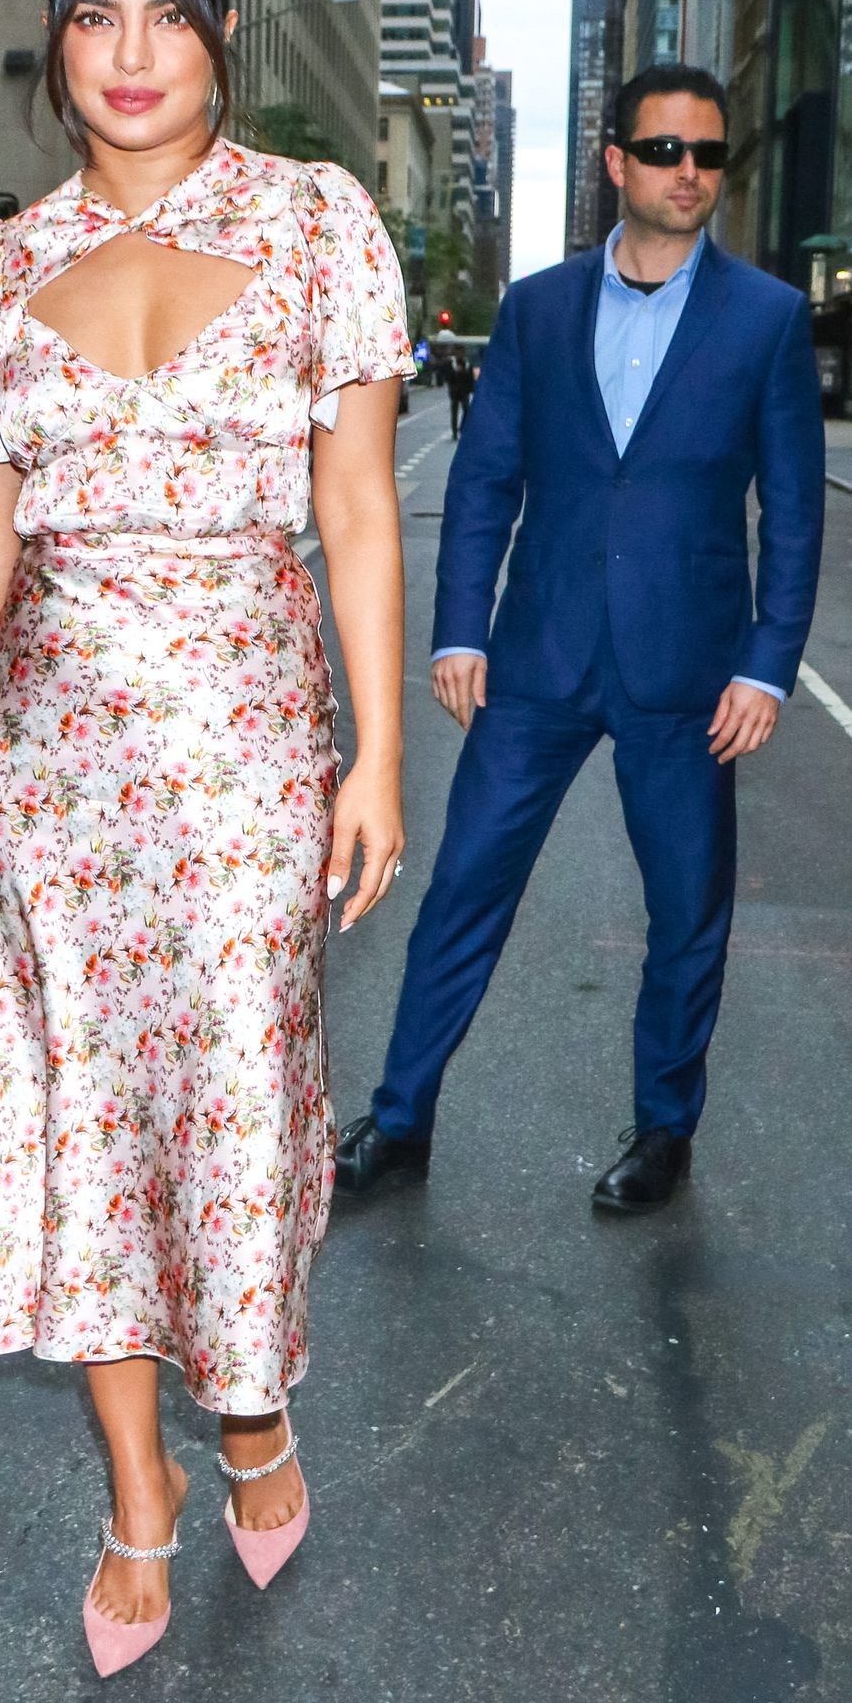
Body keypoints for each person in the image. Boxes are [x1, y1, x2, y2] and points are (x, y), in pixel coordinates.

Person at [0, 0, 412, 1680]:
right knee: (77, 1127)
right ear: (53, 39)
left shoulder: (317, 224)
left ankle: (249, 1410)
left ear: (220, 30)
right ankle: (140, 1489)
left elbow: (357, 511)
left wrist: (372, 759)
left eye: (164, 15)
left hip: (247, 765)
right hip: (45, 781)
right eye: (94, 17)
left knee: (233, 1114)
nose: (127, 53)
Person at [336, 62, 824, 1214]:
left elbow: (796, 512)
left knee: (687, 916)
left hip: (689, 675)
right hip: (538, 662)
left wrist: (766, 665)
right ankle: (399, 1120)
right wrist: (460, 631)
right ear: (616, 162)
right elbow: (484, 480)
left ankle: (664, 1133)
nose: (689, 173)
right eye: (664, 151)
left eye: (709, 154)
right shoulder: (538, 308)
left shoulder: (766, 319)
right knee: (462, 890)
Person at [446, 350, 476, 438]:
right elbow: (448, 378)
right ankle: (454, 432)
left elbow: (471, 378)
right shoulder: (451, 364)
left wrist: (471, 390)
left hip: (464, 392)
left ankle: (462, 427)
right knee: (454, 412)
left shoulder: (468, 364)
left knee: (466, 410)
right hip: (454, 392)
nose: (460, 354)